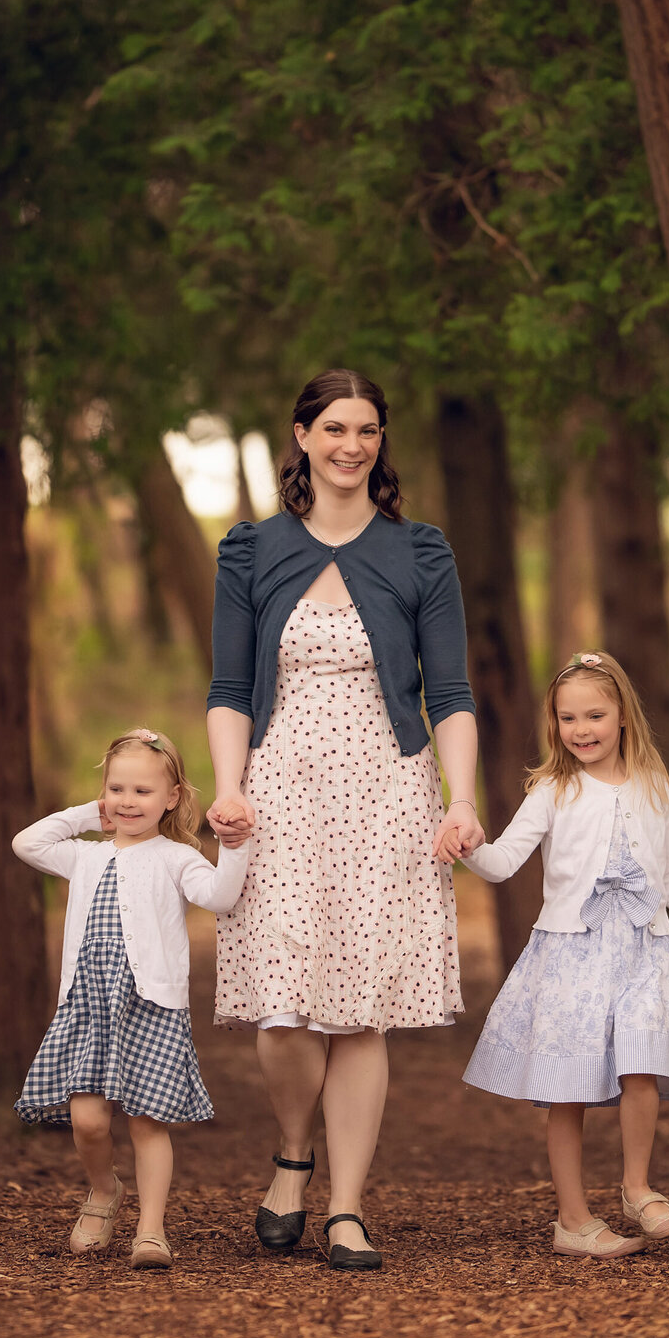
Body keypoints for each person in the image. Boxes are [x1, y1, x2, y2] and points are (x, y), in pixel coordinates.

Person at [206, 368, 484, 1271]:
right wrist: (228, 786)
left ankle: (347, 1206)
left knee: (361, 1011)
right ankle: (293, 1151)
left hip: (388, 791)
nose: (351, 445)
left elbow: (449, 692)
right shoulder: (251, 550)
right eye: (334, 428)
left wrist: (462, 798)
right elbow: (227, 689)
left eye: (366, 430)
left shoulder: (421, 552)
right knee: (284, 1011)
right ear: (301, 436)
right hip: (279, 790)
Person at [461, 651, 669, 1258]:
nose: (582, 730)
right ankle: (572, 1219)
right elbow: (502, 863)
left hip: (645, 950)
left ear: (623, 715)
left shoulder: (654, 783)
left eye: (595, 715)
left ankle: (637, 1187)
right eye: (568, 719)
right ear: (555, 725)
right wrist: (465, 846)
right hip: (571, 953)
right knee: (567, 1087)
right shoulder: (552, 789)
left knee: (640, 1062)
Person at [13, 728, 248, 1270]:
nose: (127, 801)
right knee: (88, 1121)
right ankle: (103, 1191)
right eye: (116, 789)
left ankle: (151, 1229)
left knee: (147, 1121)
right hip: (87, 1006)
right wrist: (85, 815)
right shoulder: (84, 855)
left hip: (151, 1007)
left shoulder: (176, 858)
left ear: (171, 798)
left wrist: (235, 849)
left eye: (142, 791)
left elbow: (222, 896)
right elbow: (27, 843)